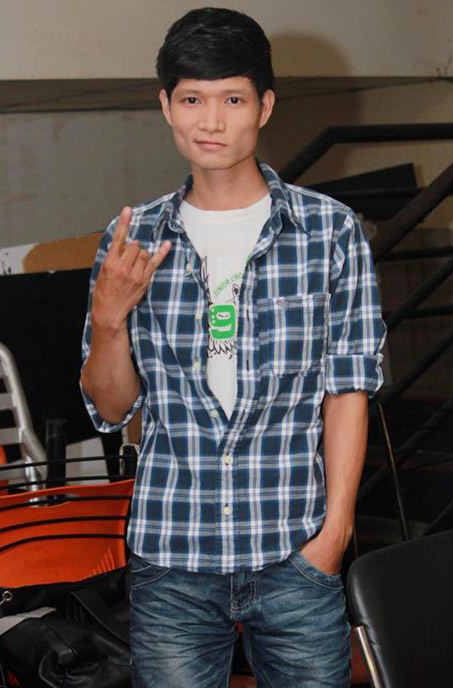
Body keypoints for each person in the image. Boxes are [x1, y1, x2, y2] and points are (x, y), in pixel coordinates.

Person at [80, 7, 386, 687]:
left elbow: (347, 391)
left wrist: (333, 536)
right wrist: (107, 320)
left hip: (295, 552)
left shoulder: (328, 232)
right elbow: (111, 407)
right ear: (166, 105)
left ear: (265, 106)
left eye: (233, 100)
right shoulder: (133, 238)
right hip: (173, 559)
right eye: (192, 99)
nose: (211, 121)